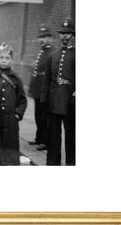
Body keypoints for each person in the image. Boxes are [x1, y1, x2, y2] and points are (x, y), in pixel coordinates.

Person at [41, 18, 76, 166]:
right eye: (62, 33)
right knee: (53, 135)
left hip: (70, 101)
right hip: (54, 101)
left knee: (71, 136)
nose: (65, 36)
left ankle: (71, 163)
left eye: (68, 34)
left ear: (73, 35)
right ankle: (52, 163)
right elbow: (47, 80)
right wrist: (44, 99)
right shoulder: (52, 55)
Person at [28, 25, 55, 151]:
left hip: (44, 91)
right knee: (38, 115)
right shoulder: (43, 51)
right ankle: (39, 138)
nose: (42, 40)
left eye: (44, 37)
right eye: (40, 37)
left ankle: (45, 141)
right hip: (38, 89)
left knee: (44, 117)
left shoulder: (52, 52)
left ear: (50, 38)